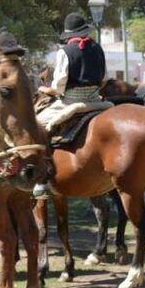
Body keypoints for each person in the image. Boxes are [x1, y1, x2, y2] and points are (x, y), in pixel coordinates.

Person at [33, 12, 107, 199]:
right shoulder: (97, 48)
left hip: (71, 102)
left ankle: (41, 179)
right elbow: (104, 78)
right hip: (97, 101)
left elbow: (59, 86)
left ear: (69, 34)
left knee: (36, 126)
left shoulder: (65, 52)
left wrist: (45, 89)